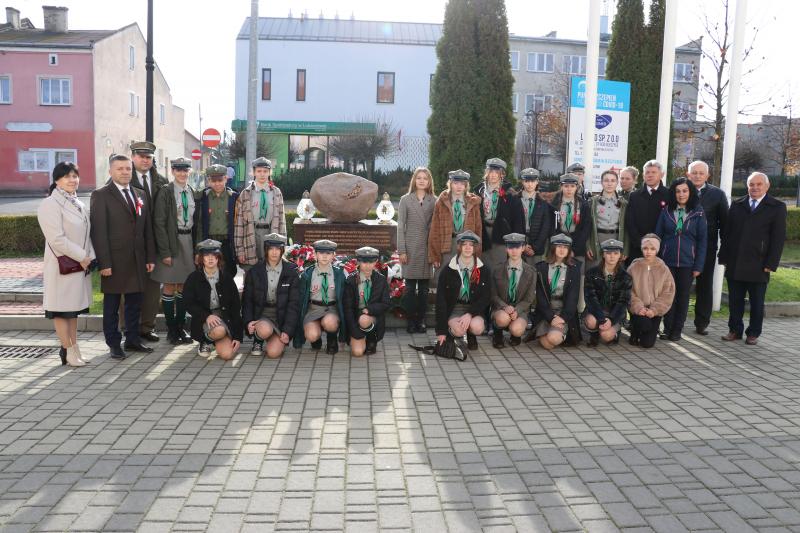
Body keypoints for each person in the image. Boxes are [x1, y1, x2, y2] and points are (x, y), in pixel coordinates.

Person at [90, 154, 156, 359]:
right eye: (120, 169)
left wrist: (150, 257)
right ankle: (113, 343)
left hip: (137, 260)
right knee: (111, 306)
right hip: (114, 261)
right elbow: (99, 232)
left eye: (128, 168)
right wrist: (104, 262)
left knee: (135, 303)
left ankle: (132, 340)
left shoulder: (140, 194)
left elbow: (147, 229)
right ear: (110, 171)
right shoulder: (101, 195)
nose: (125, 172)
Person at [37, 162, 95, 367]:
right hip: (61, 266)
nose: (72, 180)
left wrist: (89, 256)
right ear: (56, 180)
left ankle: (75, 348)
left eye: (75, 176)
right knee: (61, 310)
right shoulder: (50, 204)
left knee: (73, 310)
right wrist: (82, 256)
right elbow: (56, 239)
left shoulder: (77, 202)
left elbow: (87, 234)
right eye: (67, 176)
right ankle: (67, 350)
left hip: (79, 265)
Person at [719, 172, 787, 345]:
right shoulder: (737, 204)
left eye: (759, 184)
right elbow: (727, 233)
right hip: (735, 261)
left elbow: (778, 238)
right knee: (735, 301)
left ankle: (753, 333)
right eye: (751, 184)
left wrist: (771, 263)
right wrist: (724, 257)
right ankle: (735, 330)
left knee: (757, 302)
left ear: (767, 186)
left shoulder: (777, 207)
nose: (755, 187)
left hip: (760, 263)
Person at [151, 157, 198, 345]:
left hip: (188, 241)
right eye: (178, 170)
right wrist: (165, 252)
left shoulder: (191, 191)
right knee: (170, 285)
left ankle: (181, 327)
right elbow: (159, 223)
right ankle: (171, 329)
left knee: (184, 285)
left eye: (185, 170)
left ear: (189, 172)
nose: (182, 173)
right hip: (172, 241)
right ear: (173, 171)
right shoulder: (166, 192)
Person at [655, 177, 707, 342]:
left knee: (683, 297)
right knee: (668, 295)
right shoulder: (666, 211)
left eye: (685, 191)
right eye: (678, 191)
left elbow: (702, 241)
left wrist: (698, 265)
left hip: (688, 263)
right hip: (667, 262)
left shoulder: (698, 212)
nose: (681, 194)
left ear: (690, 192)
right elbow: (657, 236)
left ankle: (677, 330)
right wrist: (657, 260)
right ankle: (667, 328)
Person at [129, 141, 168, 343]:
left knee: (153, 287)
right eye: (141, 156)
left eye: (149, 157)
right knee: (130, 287)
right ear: (133, 157)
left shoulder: (161, 181)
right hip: (132, 241)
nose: (145, 160)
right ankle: (129, 328)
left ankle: (147, 326)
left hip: (156, 240)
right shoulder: (124, 179)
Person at [241, 233, 301, 358]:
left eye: (278, 249)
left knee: (273, 353)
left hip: (281, 317)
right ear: (266, 250)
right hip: (262, 314)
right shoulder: (255, 271)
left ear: (282, 250)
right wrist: (248, 321)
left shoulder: (291, 272)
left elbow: (293, 304)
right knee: (264, 330)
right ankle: (258, 340)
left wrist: (287, 331)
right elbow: (247, 300)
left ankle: (273, 336)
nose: (274, 252)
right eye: (271, 248)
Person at [687, 160, 728, 335]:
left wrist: (725, 249)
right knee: (680, 285)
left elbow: (725, 224)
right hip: (683, 247)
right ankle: (675, 321)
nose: (697, 176)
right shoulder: (680, 190)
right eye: (694, 172)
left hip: (707, 248)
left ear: (707, 175)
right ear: (688, 174)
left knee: (704, 286)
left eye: (701, 173)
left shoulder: (717, 194)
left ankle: (702, 323)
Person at [183, 239, 243, 359]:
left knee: (227, 355)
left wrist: (237, 337)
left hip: (224, 318)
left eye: (214, 255)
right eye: (206, 255)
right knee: (219, 331)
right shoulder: (193, 278)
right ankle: (204, 341)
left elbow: (236, 307)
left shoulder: (226, 278)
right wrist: (207, 316)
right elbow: (188, 303)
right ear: (201, 259)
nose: (210, 258)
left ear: (218, 258)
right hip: (203, 318)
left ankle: (212, 339)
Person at [435, 231, 491, 351]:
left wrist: (470, 313)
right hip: (454, 308)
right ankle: (451, 335)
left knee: (477, 328)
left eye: (471, 245)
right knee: (459, 330)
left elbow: (486, 297)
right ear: (459, 247)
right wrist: (441, 331)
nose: (467, 247)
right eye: (464, 244)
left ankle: (471, 335)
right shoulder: (448, 270)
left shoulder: (483, 270)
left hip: (474, 309)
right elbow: (441, 300)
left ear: (475, 248)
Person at [397, 167, 436, 333]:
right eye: (419, 177)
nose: (421, 181)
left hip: (427, 248)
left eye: (425, 178)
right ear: (414, 180)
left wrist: (435, 252)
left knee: (424, 290)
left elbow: (436, 227)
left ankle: (421, 320)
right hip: (410, 248)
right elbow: (400, 227)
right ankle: (411, 321)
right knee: (410, 289)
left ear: (429, 182)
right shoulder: (405, 200)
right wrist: (402, 250)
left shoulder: (434, 200)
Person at [428, 169, 482, 284]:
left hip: (466, 245)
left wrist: (477, 253)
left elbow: (478, 229)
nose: (459, 187)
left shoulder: (473, 203)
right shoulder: (441, 202)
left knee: (465, 277)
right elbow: (434, 230)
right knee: (446, 278)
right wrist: (435, 255)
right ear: (450, 184)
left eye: (462, 184)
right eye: (456, 183)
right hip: (448, 244)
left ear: (466, 186)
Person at [528, 234, 582, 349]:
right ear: (553, 248)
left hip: (563, 311)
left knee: (553, 339)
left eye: (565, 247)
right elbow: (540, 297)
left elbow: (573, 297)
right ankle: (553, 332)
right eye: (559, 246)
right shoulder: (542, 268)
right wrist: (551, 317)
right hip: (546, 312)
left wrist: (562, 318)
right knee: (547, 345)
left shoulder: (574, 268)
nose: (562, 250)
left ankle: (563, 333)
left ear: (569, 250)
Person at [294, 240, 347, 354]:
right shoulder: (307, 274)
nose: (324, 256)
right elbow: (301, 297)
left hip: (331, 309)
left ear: (333, 255)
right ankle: (316, 341)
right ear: (315, 254)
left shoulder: (339, 274)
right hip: (313, 309)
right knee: (312, 335)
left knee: (330, 322)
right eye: (321, 253)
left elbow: (344, 297)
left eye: (328, 253)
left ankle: (332, 340)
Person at [234, 157, 287, 269]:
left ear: (269, 172)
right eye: (259, 171)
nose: (262, 174)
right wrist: (240, 250)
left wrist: (283, 245)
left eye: (265, 171)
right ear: (253, 172)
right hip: (251, 234)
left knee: (270, 269)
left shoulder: (276, 192)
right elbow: (239, 224)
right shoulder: (246, 193)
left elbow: (282, 221)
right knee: (251, 271)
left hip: (270, 232)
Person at [551, 172, 592, 310]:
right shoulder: (554, 204)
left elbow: (586, 228)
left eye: (572, 186)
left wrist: (573, 249)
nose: (569, 189)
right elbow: (552, 227)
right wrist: (560, 246)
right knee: (558, 275)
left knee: (577, 278)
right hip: (559, 246)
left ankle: (578, 309)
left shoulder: (583, 204)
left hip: (577, 247)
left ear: (577, 187)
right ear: (561, 186)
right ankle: (556, 307)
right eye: (566, 186)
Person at [474, 157, 524, 270]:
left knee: (499, 268)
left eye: (497, 172)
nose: (493, 175)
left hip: (501, 233)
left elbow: (518, 220)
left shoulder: (510, 194)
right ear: (486, 173)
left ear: (502, 174)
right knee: (482, 267)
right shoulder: (478, 192)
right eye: (490, 171)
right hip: (482, 233)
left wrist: (517, 242)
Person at [627, 234, 675, 348]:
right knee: (643, 325)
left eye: (652, 249)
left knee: (647, 344)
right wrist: (638, 308)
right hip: (638, 310)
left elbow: (668, 292)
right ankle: (635, 331)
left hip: (654, 311)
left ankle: (645, 332)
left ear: (657, 250)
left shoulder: (663, 269)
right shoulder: (633, 267)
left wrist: (654, 310)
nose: (648, 252)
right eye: (645, 248)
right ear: (641, 249)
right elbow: (628, 290)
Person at [343, 246, 391, 356]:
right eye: (364, 262)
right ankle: (361, 337)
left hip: (371, 316)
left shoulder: (381, 279)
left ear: (376, 261)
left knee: (364, 320)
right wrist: (354, 331)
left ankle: (371, 339)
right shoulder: (351, 280)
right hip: (355, 318)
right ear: (358, 261)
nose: (368, 265)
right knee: (358, 352)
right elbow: (347, 308)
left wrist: (370, 309)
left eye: (371, 262)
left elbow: (386, 303)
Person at [583, 239, 632, 346]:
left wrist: (611, 320)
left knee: (606, 336)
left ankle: (614, 332)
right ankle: (594, 335)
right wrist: (601, 318)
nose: (612, 256)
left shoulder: (626, 277)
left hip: (614, 313)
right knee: (591, 321)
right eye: (608, 253)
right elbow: (590, 297)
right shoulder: (591, 273)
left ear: (620, 255)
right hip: (596, 311)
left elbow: (623, 302)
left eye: (616, 253)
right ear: (603, 255)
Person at [490, 233, 536, 348]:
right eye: (510, 247)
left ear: (523, 248)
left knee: (517, 329)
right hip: (501, 308)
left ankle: (515, 335)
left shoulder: (531, 271)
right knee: (503, 318)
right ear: (506, 248)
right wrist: (505, 307)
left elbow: (529, 298)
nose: (514, 250)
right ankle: (497, 334)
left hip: (520, 309)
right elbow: (493, 295)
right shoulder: (497, 269)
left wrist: (517, 310)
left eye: (517, 247)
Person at [198, 164, 240, 280]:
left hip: (227, 244)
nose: (217, 184)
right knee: (208, 275)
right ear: (209, 181)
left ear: (226, 179)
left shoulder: (234, 197)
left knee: (229, 274)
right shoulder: (203, 197)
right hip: (208, 243)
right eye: (213, 180)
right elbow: (200, 224)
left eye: (220, 180)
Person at [625, 160, 669, 263]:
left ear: (661, 175)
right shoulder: (634, 196)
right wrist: (640, 243)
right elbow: (630, 222)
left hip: (661, 248)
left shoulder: (668, 195)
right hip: (638, 247)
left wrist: (657, 243)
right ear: (643, 176)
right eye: (647, 172)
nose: (650, 175)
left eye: (654, 172)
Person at [587, 169, 629, 268]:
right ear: (601, 183)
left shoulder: (624, 203)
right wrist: (588, 246)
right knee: (595, 270)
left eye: (613, 181)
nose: (609, 184)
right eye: (606, 180)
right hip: (597, 238)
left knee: (615, 271)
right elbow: (586, 226)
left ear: (617, 183)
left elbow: (627, 228)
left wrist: (626, 249)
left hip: (617, 238)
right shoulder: (592, 202)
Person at [517, 168, 554, 266]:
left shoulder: (543, 203)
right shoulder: (515, 200)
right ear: (522, 182)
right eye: (526, 181)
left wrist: (535, 247)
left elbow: (545, 227)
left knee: (536, 272)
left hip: (537, 245)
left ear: (537, 182)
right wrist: (523, 244)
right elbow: (514, 224)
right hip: (518, 244)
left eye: (533, 181)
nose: (530, 184)